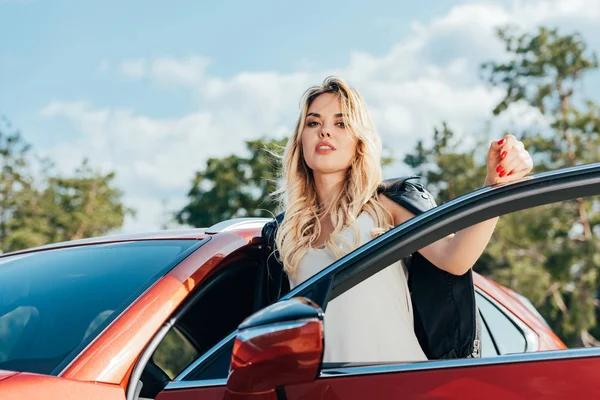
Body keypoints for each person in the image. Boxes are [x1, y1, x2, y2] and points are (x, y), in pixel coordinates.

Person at [257, 76, 533, 363]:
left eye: (341, 123)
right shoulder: (286, 233)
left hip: (397, 383)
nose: (325, 131)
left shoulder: (386, 205)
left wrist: (495, 187)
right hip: (327, 389)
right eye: (313, 123)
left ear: (358, 141)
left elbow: (455, 258)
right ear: (300, 139)